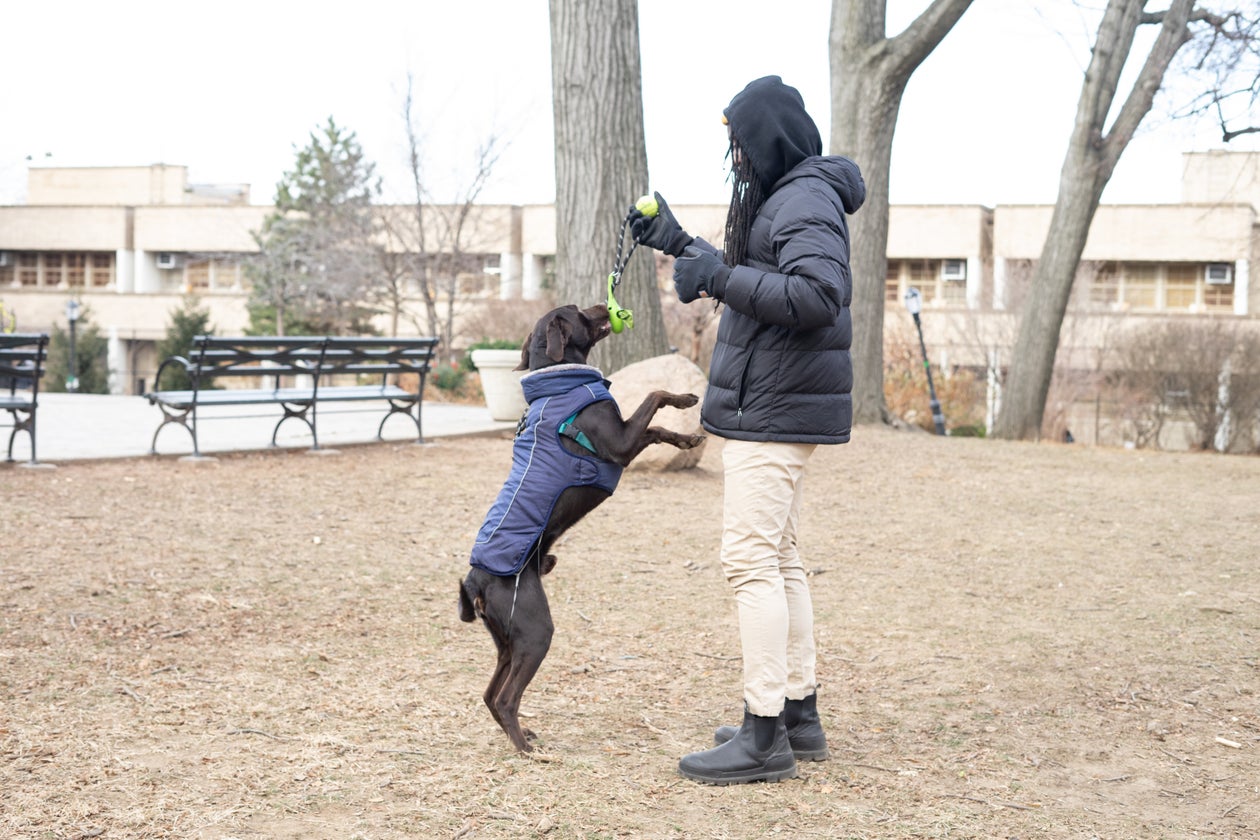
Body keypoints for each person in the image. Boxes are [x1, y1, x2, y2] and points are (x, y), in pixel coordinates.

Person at [629, 75, 865, 785]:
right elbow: (759, 272)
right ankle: (798, 715)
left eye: (738, 141)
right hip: (779, 402)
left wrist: (720, 279)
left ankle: (764, 736)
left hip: (778, 407)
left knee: (750, 561)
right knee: (780, 558)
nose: (733, 156)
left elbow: (819, 294)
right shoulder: (792, 196)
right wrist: (679, 245)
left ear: (766, 139)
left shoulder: (802, 197)